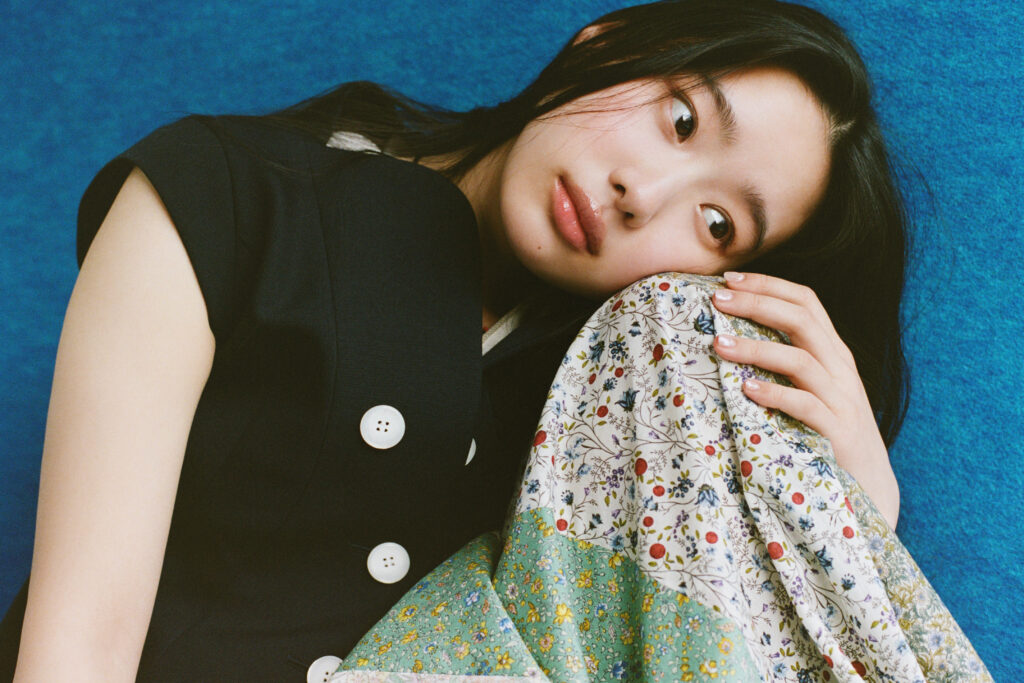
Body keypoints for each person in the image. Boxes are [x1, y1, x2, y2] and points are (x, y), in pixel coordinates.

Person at [0, 0, 971, 679]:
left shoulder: (620, 401)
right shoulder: (227, 200)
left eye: (717, 225)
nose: (643, 194)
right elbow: (77, 646)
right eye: (679, 120)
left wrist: (859, 512)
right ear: (608, 41)